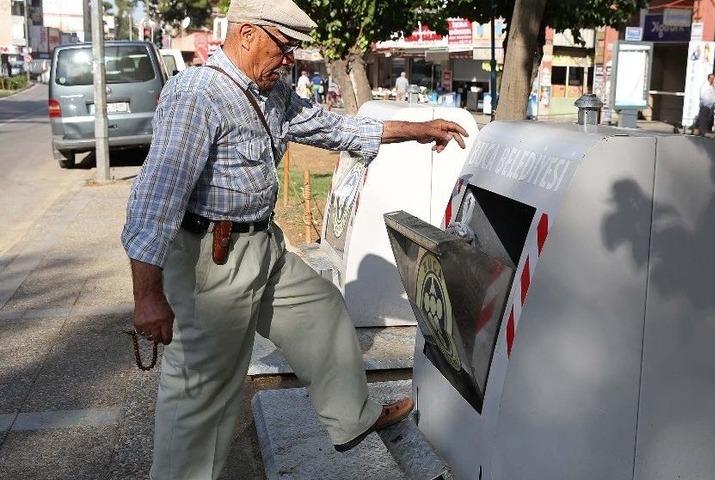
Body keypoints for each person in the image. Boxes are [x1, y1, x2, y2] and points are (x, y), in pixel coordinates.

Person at [120, 1, 468, 478]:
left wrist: (417, 130)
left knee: (321, 312)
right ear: (245, 35)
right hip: (211, 262)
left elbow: (336, 128)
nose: (289, 60)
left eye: (293, 50)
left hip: (263, 247)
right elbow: (154, 200)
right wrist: (147, 296)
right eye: (284, 47)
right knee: (203, 392)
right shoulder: (198, 94)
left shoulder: (272, 93)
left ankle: (352, 419)